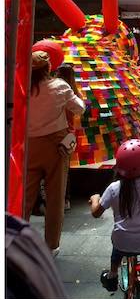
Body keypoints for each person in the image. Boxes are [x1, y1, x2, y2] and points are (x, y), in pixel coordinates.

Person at [89, 139, 140, 299]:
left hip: (122, 242)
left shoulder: (113, 188)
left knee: (118, 239)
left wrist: (95, 199)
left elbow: (96, 213)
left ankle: (112, 275)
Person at [24, 51, 85, 256]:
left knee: (25, 197)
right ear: (48, 68)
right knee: (55, 198)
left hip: (29, 146)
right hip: (56, 147)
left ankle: (13, 239)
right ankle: (51, 245)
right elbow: (79, 108)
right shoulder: (59, 87)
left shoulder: (21, 88)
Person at [55, 63, 82, 211]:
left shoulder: (57, 90)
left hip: (57, 132)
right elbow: (80, 108)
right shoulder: (74, 92)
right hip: (69, 134)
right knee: (65, 167)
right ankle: (65, 199)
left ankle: (59, 199)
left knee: (55, 168)